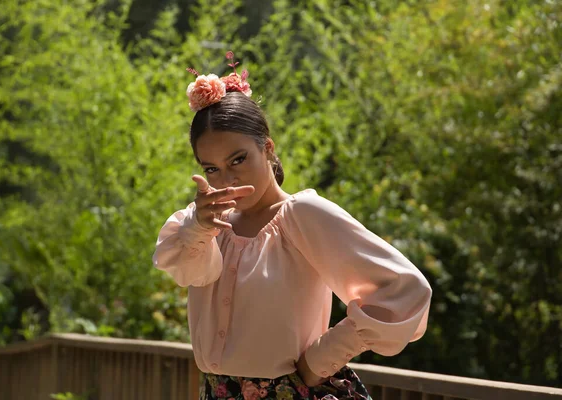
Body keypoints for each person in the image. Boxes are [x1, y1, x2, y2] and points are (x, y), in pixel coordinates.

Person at [153, 52, 432, 400]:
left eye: (238, 160)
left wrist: (320, 360)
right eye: (212, 169)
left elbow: (405, 290)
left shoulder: (303, 215)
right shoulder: (205, 227)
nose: (226, 180)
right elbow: (192, 272)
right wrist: (198, 227)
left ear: (267, 149)